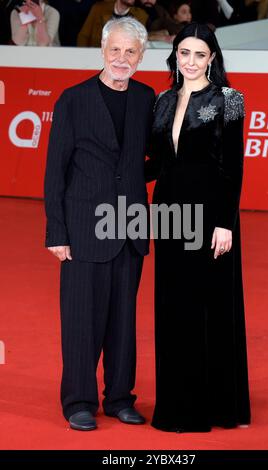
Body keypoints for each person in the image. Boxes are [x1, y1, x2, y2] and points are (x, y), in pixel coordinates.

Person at [44, 17, 155, 431]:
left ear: (141, 57)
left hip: (130, 228)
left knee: (124, 321)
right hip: (82, 229)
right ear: (102, 51)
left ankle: (121, 397)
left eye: (131, 52)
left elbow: (153, 159)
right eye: (115, 50)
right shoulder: (72, 100)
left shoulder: (147, 98)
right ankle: (78, 401)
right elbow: (55, 170)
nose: (121, 59)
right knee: (80, 320)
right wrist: (57, 232)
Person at [145, 22, 251, 432]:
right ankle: (177, 402)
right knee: (174, 305)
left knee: (210, 306)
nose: (190, 62)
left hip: (210, 215)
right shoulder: (162, 100)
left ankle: (217, 404)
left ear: (212, 58)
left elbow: (233, 167)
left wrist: (226, 223)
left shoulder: (230, 99)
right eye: (184, 53)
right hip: (168, 212)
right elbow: (157, 164)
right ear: (175, 57)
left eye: (199, 54)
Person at [77, 0, 148, 47]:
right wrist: (83, 54)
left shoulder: (140, 15)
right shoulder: (99, 8)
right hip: (96, 54)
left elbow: (140, 42)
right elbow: (83, 36)